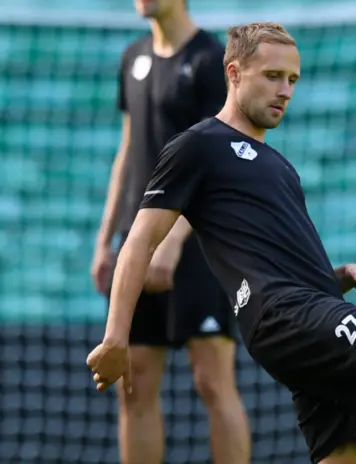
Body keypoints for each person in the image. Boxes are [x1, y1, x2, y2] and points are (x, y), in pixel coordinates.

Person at [86, 21, 356, 464]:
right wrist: (115, 338)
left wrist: (336, 278)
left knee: (347, 455)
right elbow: (140, 242)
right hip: (276, 312)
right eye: (273, 76)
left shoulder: (280, 166)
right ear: (234, 73)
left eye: (293, 80)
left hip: (307, 305)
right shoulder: (197, 145)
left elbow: (281, 259)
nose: (285, 91)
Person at [88, 0, 250, 462]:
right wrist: (105, 240)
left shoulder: (208, 60)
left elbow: (215, 160)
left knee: (212, 381)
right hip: (136, 241)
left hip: (196, 245)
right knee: (133, 383)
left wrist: (173, 241)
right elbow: (128, 150)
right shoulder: (132, 55)